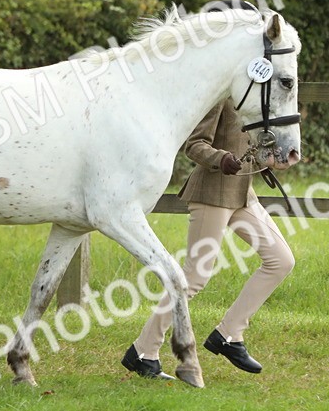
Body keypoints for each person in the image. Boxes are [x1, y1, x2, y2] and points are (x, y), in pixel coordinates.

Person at [121, 98, 295, 380]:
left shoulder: (257, 101)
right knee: (193, 277)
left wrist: (273, 158)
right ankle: (143, 352)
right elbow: (195, 144)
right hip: (212, 194)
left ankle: (229, 334)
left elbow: (253, 145)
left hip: (242, 196)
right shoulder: (221, 96)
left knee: (281, 260)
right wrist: (221, 159)